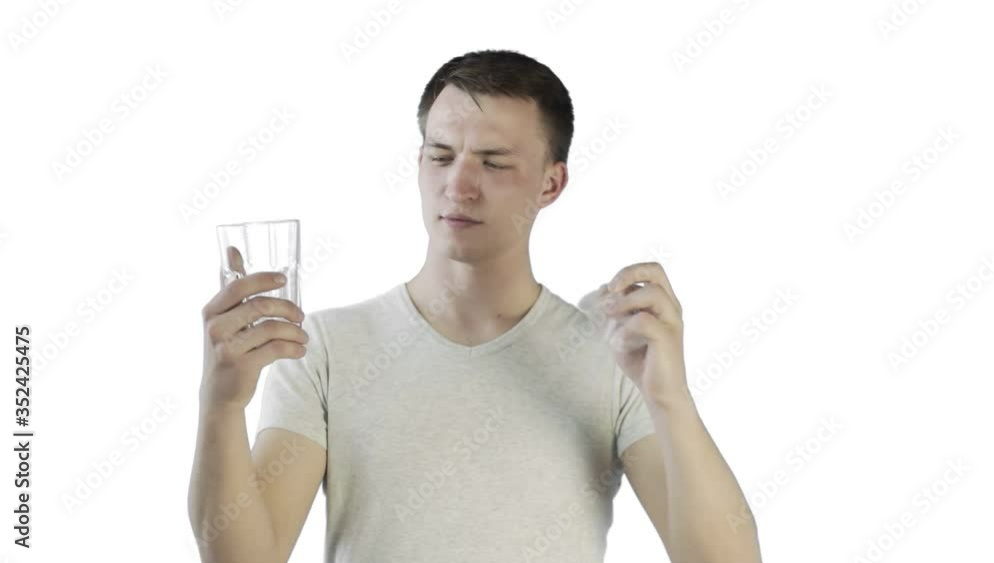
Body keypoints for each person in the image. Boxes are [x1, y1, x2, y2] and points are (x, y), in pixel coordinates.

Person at [188, 49, 762, 562]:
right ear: (418, 164)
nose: (458, 186)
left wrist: (670, 398)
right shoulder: (326, 349)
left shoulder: (611, 356)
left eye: (493, 162)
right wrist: (221, 406)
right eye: (441, 155)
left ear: (550, 184)